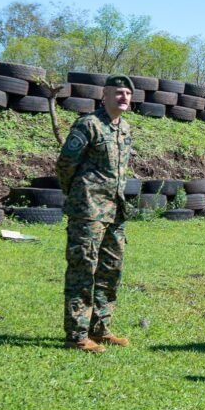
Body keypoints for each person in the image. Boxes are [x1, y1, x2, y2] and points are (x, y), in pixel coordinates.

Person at [56, 75, 135, 352]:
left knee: (110, 270)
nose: (123, 97)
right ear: (105, 95)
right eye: (118, 92)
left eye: (127, 93)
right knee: (83, 270)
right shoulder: (88, 125)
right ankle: (77, 336)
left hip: (115, 211)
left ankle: (100, 329)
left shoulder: (124, 129)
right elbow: (65, 164)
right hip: (88, 211)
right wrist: (79, 195)